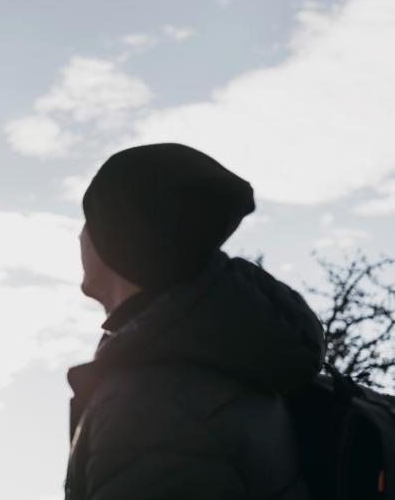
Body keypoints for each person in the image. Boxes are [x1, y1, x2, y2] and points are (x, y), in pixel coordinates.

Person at [65, 143, 325, 500]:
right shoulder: (227, 367)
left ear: (119, 238)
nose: (80, 236)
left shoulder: (152, 409)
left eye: (89, 220)